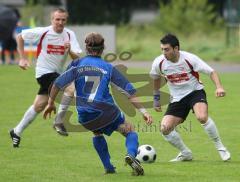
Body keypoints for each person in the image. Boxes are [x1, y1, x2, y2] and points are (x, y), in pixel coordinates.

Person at [43, 32, 153, 175]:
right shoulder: (107, 67)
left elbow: (57, 84)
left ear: (86, 47)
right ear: (103, 48)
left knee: (97, 132)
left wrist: (51, 102)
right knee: (130, 131)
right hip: (107, 111)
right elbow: (128, 92)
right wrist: (144, 112)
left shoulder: (77, 64)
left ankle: (108, 167)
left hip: (84, 114)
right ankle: (131, 155)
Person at [150, 33, 230, 162]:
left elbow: (212, 72)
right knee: (165, 129)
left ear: (176, 49)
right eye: (162, 49)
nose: (164, 52)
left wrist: (219, 87)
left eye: (167, 49)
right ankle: (185, 153)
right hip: (177, 98)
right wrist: (156, 98)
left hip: (195, 92)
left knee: (202, 117)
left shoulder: (189, 59)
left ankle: (220, 147)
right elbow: (155, 77)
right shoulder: (159, 62)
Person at [9, 8, 82, 147]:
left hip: (57, 74)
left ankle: (16, 131)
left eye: (63, 20)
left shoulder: (69, 34)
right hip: (43, 72)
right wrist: (22, 59)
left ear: (66, 20)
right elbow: (20, 37)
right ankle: (59, 122)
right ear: (52, 20)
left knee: (39, 106)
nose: (60, 22)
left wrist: (70, 50)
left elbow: (76, 58)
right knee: (70, 89)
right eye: (57, 19)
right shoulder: (43, 32)